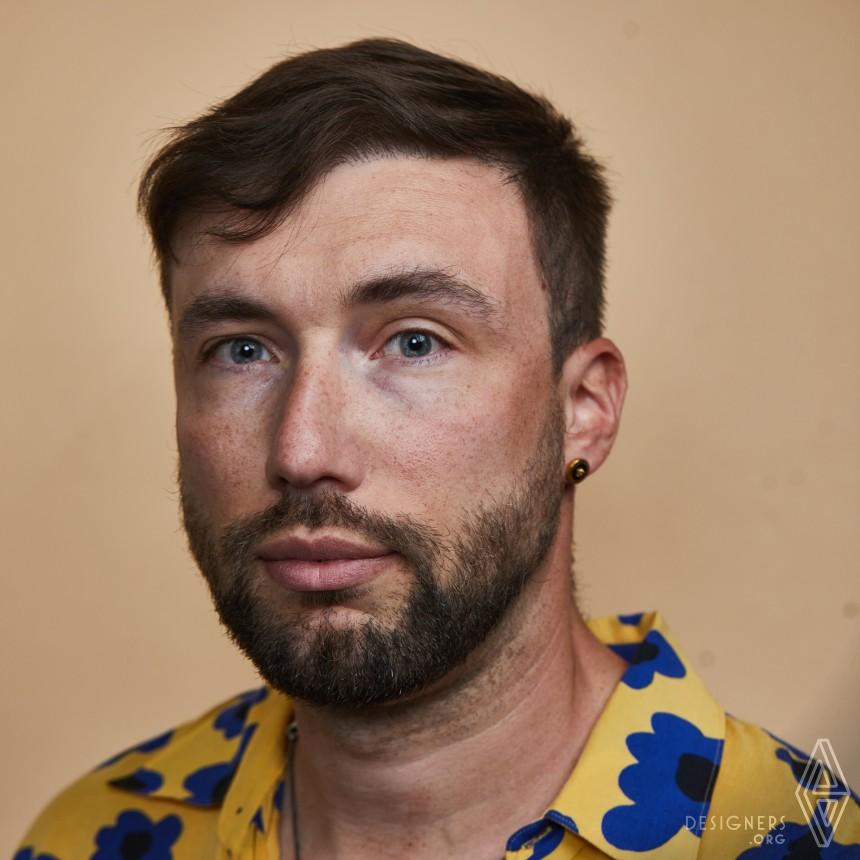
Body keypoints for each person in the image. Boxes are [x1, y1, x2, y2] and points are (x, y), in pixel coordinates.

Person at [16, 37, 859, 860]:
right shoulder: (91, 838)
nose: (302, 451)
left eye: (415, 343)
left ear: (584, 411)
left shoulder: (794, 842)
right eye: (242, 350)